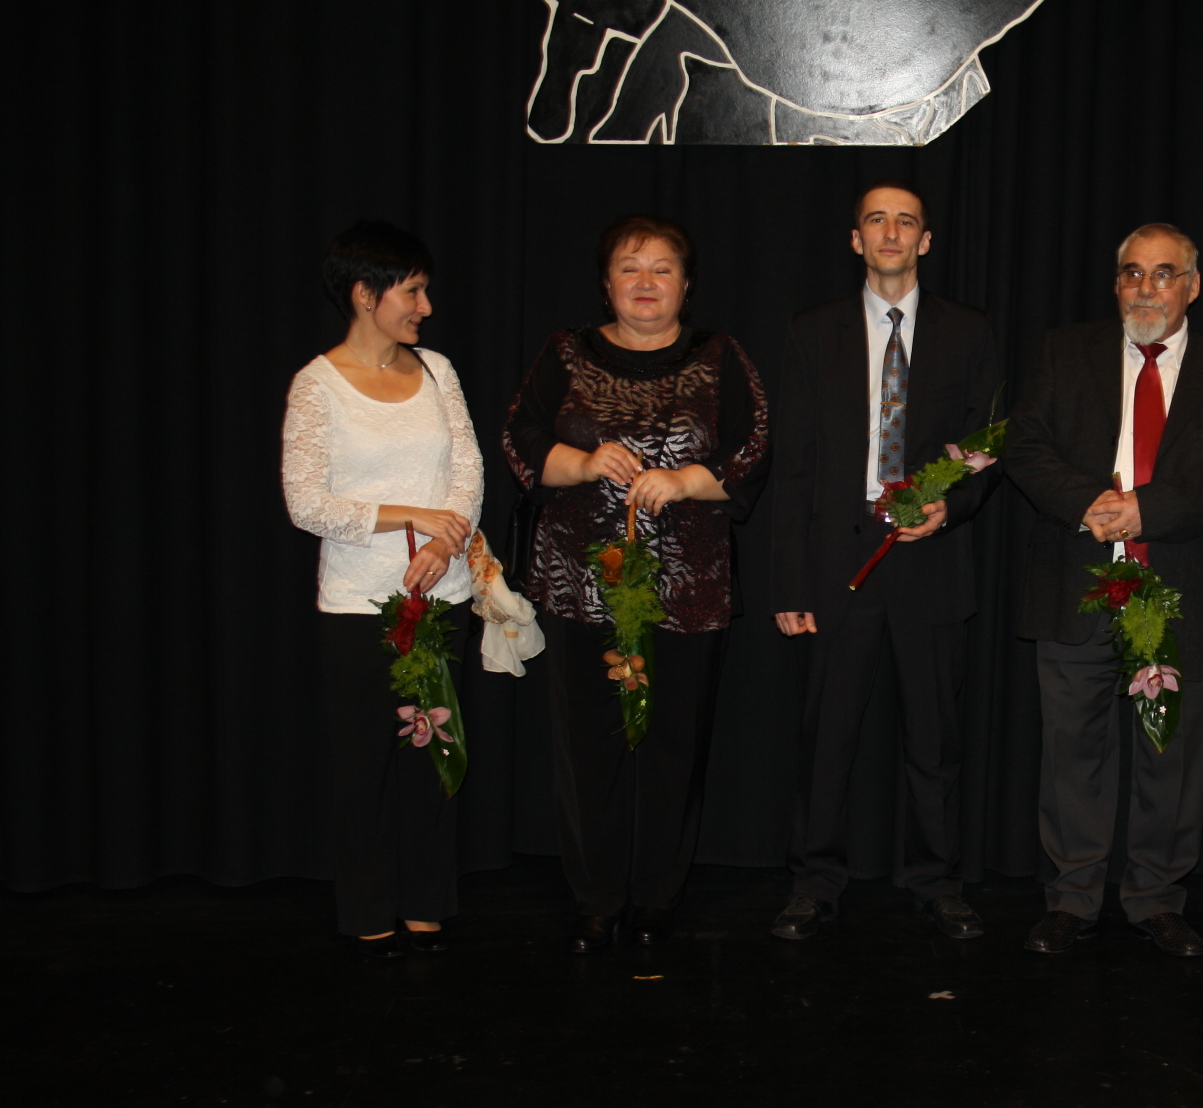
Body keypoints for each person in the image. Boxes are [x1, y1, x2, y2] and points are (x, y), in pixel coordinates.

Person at [503, 214, 769, 953]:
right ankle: (596, 897)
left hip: (689, 587)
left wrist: (686, 480)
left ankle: (656, 896)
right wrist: (586, 464)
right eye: (630, 267)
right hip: (580, 583)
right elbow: (521, 439)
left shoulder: (721, 355)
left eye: (662, 268)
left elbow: (753, 446)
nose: (646, 282)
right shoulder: (564, 352)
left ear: (686, 284)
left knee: (673, 747)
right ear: (606, 283)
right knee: (586, 747)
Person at [1006, 223, 1203, 957]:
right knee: (1072, 753)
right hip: (1078, 583)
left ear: (1193, 286)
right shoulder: (1065, 352)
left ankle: (1156, 898)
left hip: (1182, 586)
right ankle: (1073, 897)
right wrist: (1087, 500)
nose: (1145, 289)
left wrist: (1147, 510)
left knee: (1171, 759)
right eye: (1132, 273)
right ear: (1115, 283)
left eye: (1163, 274)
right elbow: (1025, 445)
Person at [768, 181, 1003, 940]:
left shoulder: (969, 332)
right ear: (856, 239)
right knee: (827, 735)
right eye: (877, 220)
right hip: (839, 559)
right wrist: (790, 579)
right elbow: (793, 464)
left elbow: (986, 449)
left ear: (925, 241)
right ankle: (814, 882)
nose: (891, 232)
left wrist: (950, 506)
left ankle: (937, 881)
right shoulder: (813, 331)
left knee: (934, 740)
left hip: (930, 560)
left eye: (906, 222)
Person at [282, 219, 484, 959]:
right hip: (358, 605)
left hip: (442, 596)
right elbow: (306, 504)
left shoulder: (437, 370)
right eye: (412, 291)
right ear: (365, 294)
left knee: (434, 756)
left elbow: (468, 470)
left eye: (425, 291)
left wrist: (443, 540)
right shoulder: (317, 385)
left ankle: (427, 901)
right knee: (364, 763)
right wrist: (407, 515)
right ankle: (367, 907)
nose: (425, 306)